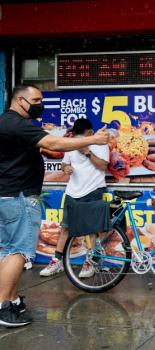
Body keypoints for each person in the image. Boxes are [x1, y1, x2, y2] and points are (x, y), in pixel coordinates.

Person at [0, 84, 109, 328]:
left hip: (8, 195)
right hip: (19, 197)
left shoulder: (8, 123)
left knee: (7, 252)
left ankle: (13, 299)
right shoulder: (17, 123)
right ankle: (3, 307)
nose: (41, 104)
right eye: (37, 99)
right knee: (18, 252)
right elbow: (55, 144)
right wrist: (95, 139)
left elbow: (46, 149)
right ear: (19, 100)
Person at [40, 118, 109, 279]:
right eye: (76, 138)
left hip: (93, 190)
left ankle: (90, 262)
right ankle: (56, 261)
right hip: (72, 191)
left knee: (90, 229)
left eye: (81, 137)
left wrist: (86, 151)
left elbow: (103, 166)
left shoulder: (100, 144)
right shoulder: (70, 145)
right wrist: (67, 168)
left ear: (90, 133)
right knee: (65, 228)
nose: (78, 140)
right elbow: (64, 164)